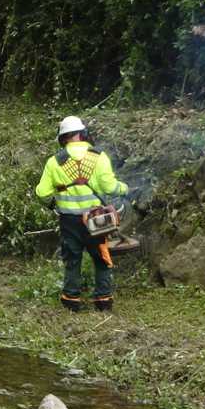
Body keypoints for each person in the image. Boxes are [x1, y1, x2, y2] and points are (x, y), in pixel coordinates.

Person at [34, 116, 129, 313]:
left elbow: (42, 193)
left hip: (69, 221)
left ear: (62, 138)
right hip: (97, 220)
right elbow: (110, 187)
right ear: (82, 133)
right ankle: (103, 301)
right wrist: (124, 189)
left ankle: (71, 301)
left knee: (72, 259)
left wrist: (52, 203)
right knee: (101, 259)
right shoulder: (99, 156)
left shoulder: (54, 162)